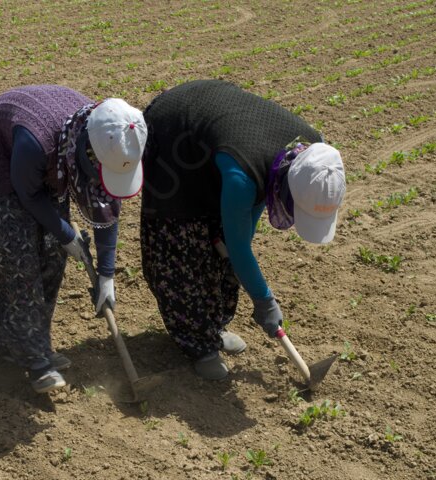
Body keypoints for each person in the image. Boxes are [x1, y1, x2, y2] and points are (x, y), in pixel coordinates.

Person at [140, 80, 345, 380]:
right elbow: (240, 239)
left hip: (222, 143)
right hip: (174, 133)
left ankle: (214, 327)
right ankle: (198, 344)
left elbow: (261, 191)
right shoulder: (242, 177)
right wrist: (264, 299)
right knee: (181, 247)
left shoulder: (312, 152)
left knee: (223, 249)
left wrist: (237, 253)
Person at [0, 85, 147, 393]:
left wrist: (107, 274)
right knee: (12, 260)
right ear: (88, 156)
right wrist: (66, 233)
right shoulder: (39, 144)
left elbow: (106, 207)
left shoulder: (109, 138)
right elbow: (28, 193)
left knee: (51, 255)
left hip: (43, 163)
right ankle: (35, 361)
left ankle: (33, 346)